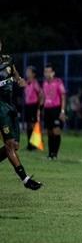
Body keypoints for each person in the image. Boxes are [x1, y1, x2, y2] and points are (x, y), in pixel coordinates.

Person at [0, 38, 42, 190]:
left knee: (15, 146)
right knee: (10, 145)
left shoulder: (7, 60)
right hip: (0, 108)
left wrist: (19, 80)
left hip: (10, 106)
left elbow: (15, 73)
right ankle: (25, 179)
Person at [42, 63, 66, 160]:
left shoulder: (58, 82)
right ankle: (50, 154)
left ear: (53, 73)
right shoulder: (44, 83)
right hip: (47, 110)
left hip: (56, 109)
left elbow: (63, 97)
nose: (47, 74)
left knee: (56, 131)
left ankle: (55, 154)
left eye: (49, 72)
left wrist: (62, 111)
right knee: (49, 132)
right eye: (45, 72)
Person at [23, 66, 44, 151]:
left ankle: (35, 144)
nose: (27, 73)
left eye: (29, 71)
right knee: (28, 125)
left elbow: (41, 94)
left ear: (33, 74)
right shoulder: (26, 83)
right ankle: (29, 144)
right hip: (28, 106)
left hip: (33, 106)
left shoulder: (35, 83)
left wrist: (39, 106)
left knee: (33, 125)